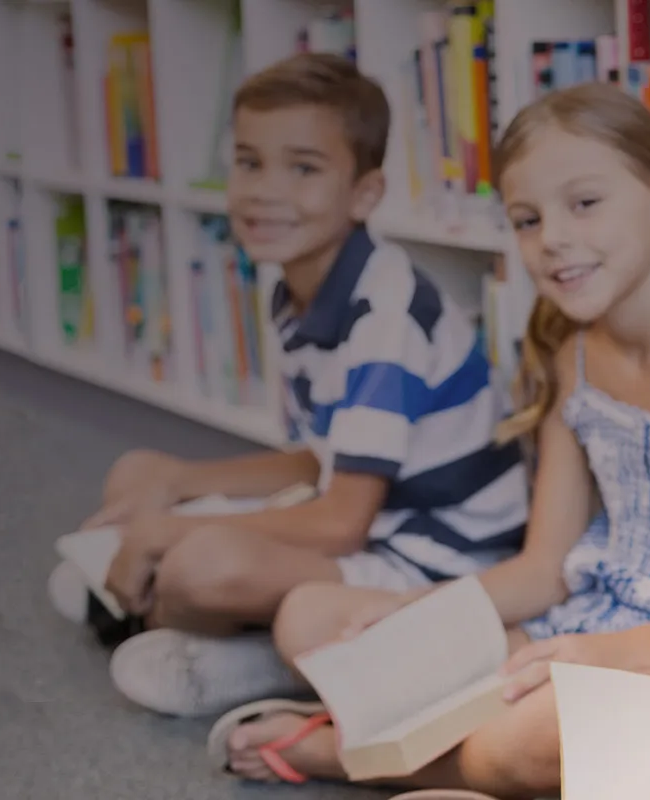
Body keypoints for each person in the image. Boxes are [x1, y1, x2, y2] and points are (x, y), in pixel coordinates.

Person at [210, 81, 650, 797]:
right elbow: (543, 568)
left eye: (584, 203)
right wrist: (413, 617)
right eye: (526, 219)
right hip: (585, 620)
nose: (553, 240)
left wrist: (610, 654)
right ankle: (400, 728)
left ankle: (337, 749)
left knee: (529, 732)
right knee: (315, 617)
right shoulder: (572, 356)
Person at [52, 53, 530, 719]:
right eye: (250, 163)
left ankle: (264, 663)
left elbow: (341, 520)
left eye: (303, 168)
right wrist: (176, 486)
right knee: (141, 470)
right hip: (366, 517)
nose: (264, 191)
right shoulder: (296, 289)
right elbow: (326, 455)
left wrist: (167, 534)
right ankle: (173, 615)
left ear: (364, 193)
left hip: (432, 559)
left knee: (200, 566)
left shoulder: (384, 314)